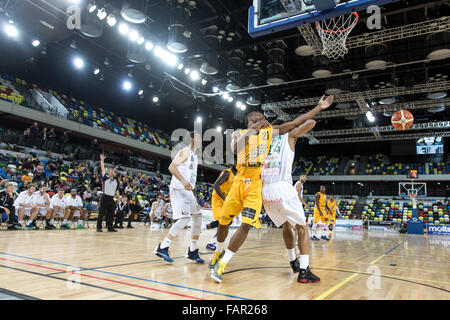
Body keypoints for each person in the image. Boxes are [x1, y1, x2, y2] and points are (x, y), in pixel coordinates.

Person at [210, 96, 334, 283]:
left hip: (259, 188)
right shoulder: (241, 132)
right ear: (249, 121)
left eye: (261, 116)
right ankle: (218, 253)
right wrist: (256, 127)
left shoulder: (270, 134)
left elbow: (297, 122)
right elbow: (236, 149)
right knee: (224, 223)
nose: (260, 117)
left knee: (260, 225)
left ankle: (292, 261)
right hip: (252, 185)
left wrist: (318, 107)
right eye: (255, 116)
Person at [259, 96, 333, 283]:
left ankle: (293, 261)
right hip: (283, 188)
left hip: (265, 192)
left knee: (286, 224)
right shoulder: (289, 136)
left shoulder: (263, 143)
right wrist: (317, 108)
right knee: (302, 227)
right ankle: (304, 270)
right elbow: (310, 122)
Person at [154, 131, 204, 264]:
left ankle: (192, 250)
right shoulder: (185, 151)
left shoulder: (195, 156)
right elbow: (171, 167)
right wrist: (182, 181)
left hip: (187, 190)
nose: (201, 140)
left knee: (198, 216)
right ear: (192, 139)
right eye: (199, 138)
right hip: (178, 188)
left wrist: (189, 185)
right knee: (186, 218)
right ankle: (163, 247)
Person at [204, 165, 237, 252]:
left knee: (228, 222)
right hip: (218, 199)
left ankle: (205, 229)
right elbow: (216, 185)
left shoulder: (238, 175)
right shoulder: (227, 173)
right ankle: (212, 242)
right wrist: (224, 198)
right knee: (223, 221)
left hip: (225, 200)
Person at [97, 153, 120, 232]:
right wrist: (102, 160)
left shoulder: (116, 181)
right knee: (102, 213)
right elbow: (102, 168)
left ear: (113, 173)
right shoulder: (105, 178)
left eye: (112, 171)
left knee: (111, 213)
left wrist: (119, 198)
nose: (111, 172)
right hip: (105, 196)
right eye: (110, 171)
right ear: (108, 172)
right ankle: (99, 227)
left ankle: (110, 227)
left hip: (112, 198)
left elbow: (117, 190)